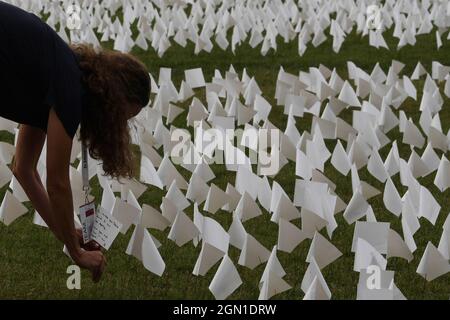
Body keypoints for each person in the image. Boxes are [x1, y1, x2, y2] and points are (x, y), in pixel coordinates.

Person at [0, 2, 150, 282]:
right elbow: (56, 181)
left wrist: (67, 233)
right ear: (113, 98)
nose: (118, 127)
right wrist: (77, 253)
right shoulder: (69, 89)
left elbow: (24, 169)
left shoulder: (58, 76)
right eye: (122, 117)